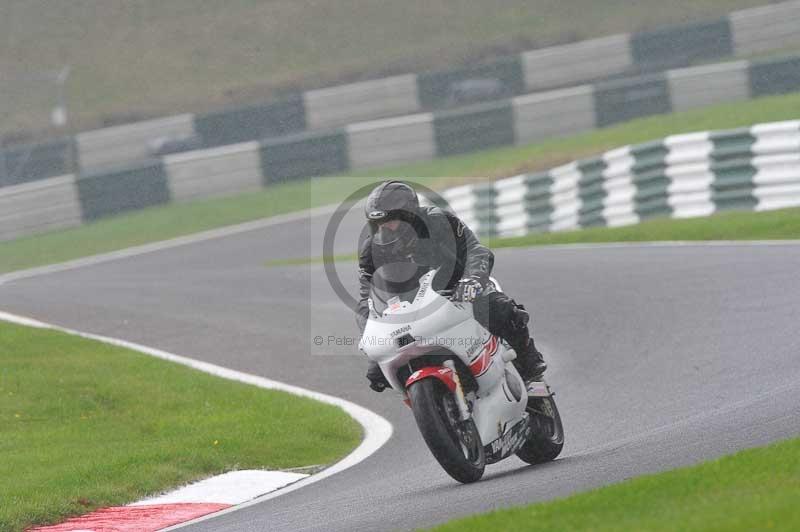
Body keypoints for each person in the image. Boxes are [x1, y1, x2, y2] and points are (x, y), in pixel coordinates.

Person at [356, 180, 547, 393]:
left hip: (460, 291)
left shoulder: (440, 221)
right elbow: (367, 298)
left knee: (501, 308)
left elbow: (475, 250)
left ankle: (530, 364)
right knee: (376, 371)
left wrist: (472, 280)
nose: (385, 228)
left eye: (391, 221)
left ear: (409, 215)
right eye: (379, 224)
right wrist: (369, 332)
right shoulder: (370, 251)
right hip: (411, 311)